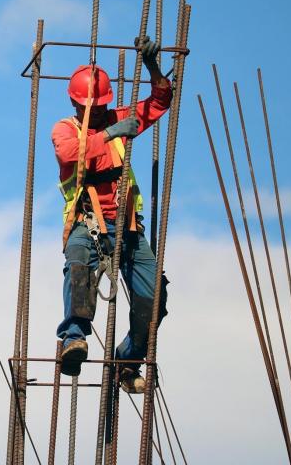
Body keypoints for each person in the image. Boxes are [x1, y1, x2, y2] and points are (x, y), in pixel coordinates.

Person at [51, 36, 170, 393]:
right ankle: (74, 337)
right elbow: (70, 154)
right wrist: (109, 132)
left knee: (154, 303)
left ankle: (127, 360)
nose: (100, 111)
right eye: (93, 107)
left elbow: (160, 102)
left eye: (103, 106)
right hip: (87, 223)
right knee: (77, 264)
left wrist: (152, 68)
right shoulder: (65, 130)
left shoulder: (119, 118)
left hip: (128, 228)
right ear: (76, 102)